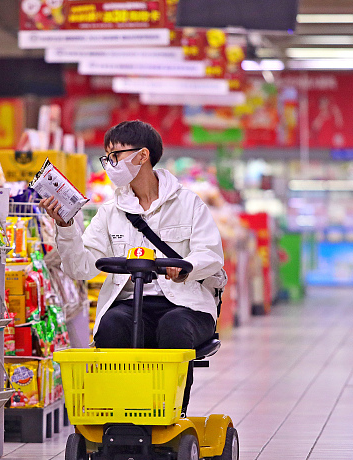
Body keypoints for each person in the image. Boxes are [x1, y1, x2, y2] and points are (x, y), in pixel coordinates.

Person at [39, 120, 225, 415]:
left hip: (185, 305)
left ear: (143, 156)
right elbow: (80, 267)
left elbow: (211, 254)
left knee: (173, 328)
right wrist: (65, 225)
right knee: (111, 328)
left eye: (117, 156)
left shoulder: (189, 204)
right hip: (129, 303)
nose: (110, 165)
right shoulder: (110, 212)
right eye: (107, 157)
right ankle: (120, 411)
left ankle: (171, 410)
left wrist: (187, 266)